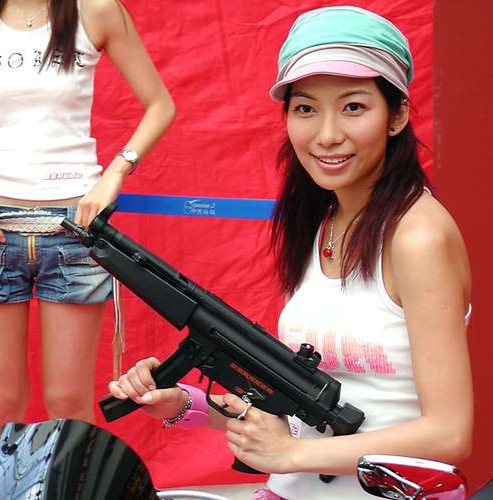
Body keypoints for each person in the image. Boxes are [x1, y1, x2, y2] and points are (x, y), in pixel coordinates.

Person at [108, 6, 472, 499]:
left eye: (353, 107)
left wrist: (291, 455)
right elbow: (301, 422)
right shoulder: (324, 222)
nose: (326, 134)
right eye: (305, 109)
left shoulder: (417, 237)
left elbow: (449, 435)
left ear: (397, 115)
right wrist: (183, 405)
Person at [0, 0, 175, 432]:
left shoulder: (95, 10)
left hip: (74, 229)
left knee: (68, 402)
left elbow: (160, 104)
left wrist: (116, 171)